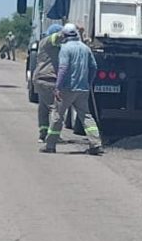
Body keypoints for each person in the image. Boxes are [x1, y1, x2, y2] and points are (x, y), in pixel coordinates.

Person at [43, 23, 102, 155]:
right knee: (86, 116)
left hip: (67, 89)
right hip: (83, 89)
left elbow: (63, 69)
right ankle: (96, 144)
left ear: (64, 35)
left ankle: (50, 145)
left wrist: (58, 87)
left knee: (58, 116)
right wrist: (89, 82)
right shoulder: (85, 48)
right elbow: (94, 67)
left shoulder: (65, 49)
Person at [32, 24, 63, 142]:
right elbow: (57, 37)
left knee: (43, 107)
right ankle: (53, 136)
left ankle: (43, 133)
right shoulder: (48, 42)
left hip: (41, 79)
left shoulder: (48, 45)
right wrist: (71, 30)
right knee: (55, 108)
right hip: (48, 79)